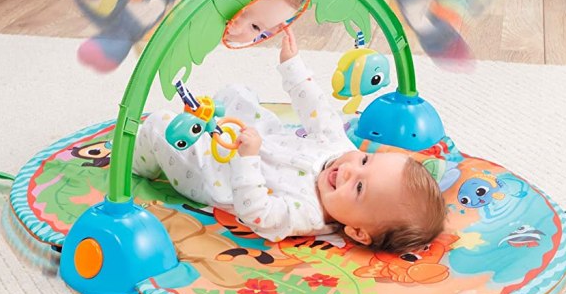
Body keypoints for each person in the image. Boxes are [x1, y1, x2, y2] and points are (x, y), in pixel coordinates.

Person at [133, 27, 447, 251]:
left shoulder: (307, 214)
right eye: (366, 160)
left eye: (360, 188)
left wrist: (247, 159)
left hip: (221, 172)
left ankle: (139, 161)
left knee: (160, 125)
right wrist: (292, 65)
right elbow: (317, 108)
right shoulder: (340, 150)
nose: (351, 170)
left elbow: (255, 212)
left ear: (357, 231)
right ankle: (209, 117)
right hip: (262, 138)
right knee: (237, 94)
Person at [223, 0, 308, 46]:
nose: (237, 29)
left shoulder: (240, 41)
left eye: (255, 27)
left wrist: (292, 66)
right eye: (238, 9)